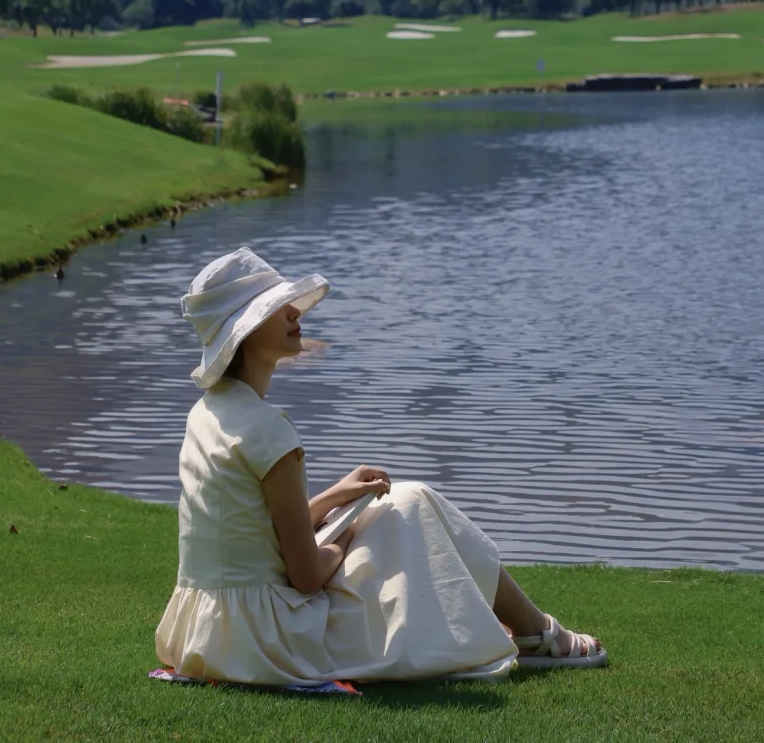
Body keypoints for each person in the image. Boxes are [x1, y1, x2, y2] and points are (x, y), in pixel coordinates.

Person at [155, 246, 607, 686]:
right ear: (248, 331)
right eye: (278, 307)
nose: (295, 312)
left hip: (206, 634)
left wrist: (337, 498)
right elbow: (307, 577)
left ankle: (532, 630)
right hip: (269, 641)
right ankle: (537, 633)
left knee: (397, 505)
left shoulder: (207, 415)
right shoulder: (268, 430)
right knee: (410, 501)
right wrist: (350, 529)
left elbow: (253, 528)